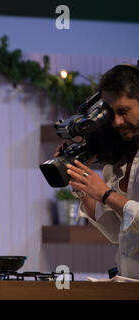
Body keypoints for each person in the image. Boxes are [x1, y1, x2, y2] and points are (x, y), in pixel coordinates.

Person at [57, 64, 139, 279]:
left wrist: (105, 194)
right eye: (110, 114)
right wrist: (82, 186)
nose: (117, 122)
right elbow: (116, 233)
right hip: (126, 284)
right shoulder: (119, 161)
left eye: (123, 111)